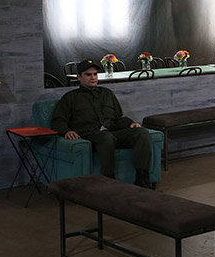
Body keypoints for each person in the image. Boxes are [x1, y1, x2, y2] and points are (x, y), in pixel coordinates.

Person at [50, 59, 154, 187]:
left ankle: (142, 179)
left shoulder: (106, 93)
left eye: (95, 74)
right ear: (79, 77)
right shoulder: (71, 97)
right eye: (88, 74)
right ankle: (109, 180)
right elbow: (57, 120)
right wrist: (66, 131)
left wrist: (129, 124)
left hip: (112, 132)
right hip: (90, 136)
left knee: (141, 132)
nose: (93, 77)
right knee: (105, 137)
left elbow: (117, 118)